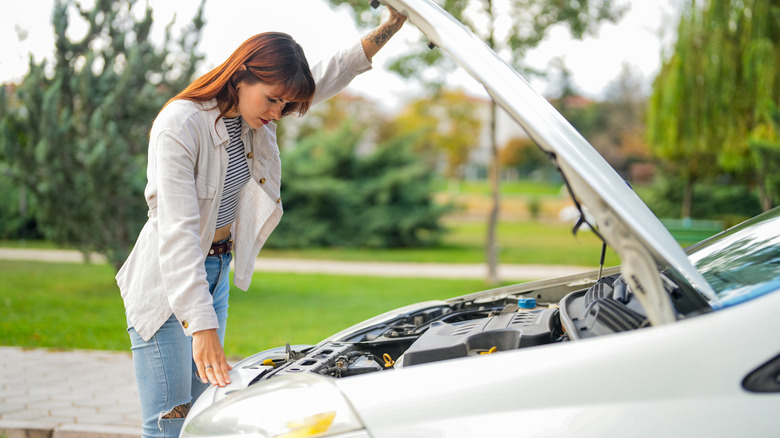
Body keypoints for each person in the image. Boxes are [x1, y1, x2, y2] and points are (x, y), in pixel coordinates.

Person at [115, 6, 406, 438]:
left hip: (214, 274)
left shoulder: (252, 116)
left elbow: (330, 72)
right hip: (167, 286)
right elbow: (176, 235)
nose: (278, 113)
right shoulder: (181, 125)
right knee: (167, 425)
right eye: (272, 99)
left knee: (201, 420)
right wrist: (203, 327)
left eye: (286, 104)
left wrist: (391, 27)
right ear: (240, 76)